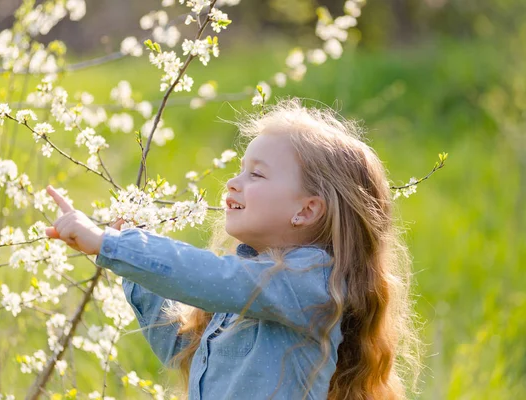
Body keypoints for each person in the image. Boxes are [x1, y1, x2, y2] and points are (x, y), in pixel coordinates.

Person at [45, 98, 420, 400]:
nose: (232, 182)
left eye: (255, 174)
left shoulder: (309, 283)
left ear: (306, 210)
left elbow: (211, 276)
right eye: (240, 169)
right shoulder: (251, 288)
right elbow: (181, 350)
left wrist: (115, 246)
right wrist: (131, 271)